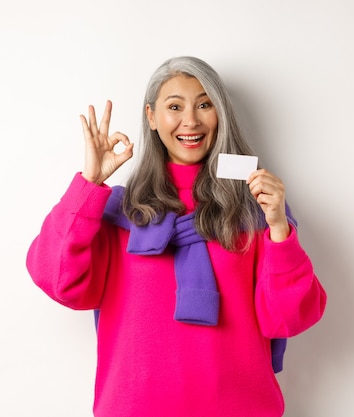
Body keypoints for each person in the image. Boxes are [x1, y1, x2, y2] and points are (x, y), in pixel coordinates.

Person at [26, 56, 326, 417]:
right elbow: (57, 280)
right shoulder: (120, 212)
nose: (191, 120)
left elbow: (288, 318)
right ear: (152, 117)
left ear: (221, 115)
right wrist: (89, 184)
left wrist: (279, 228)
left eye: (204, 104)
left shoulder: (256, 210)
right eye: (174, 106)